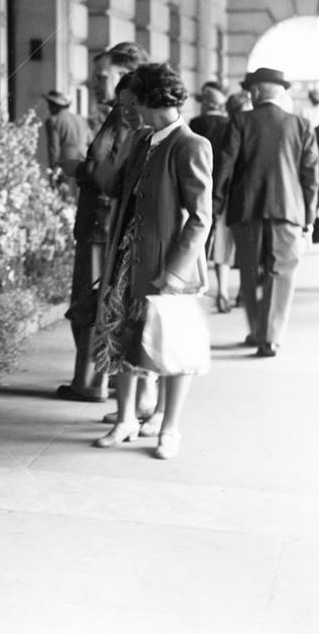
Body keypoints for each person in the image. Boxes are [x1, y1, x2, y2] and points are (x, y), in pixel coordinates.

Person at [91, 63, 213, 459]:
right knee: (123, 334)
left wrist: (175, 273)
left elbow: (201, 217)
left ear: (149, 100)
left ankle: (169, 429)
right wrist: (109, 139)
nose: (129, 109)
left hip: (170, 266)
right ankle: (125, 419)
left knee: (176, 350)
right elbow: (111, 184)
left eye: (133, 102)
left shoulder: (191, 144)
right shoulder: (141, 139)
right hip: (128, 257)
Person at [55, 41, 149, 403]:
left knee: (92, 301)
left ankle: (91, 381)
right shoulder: (120, 115)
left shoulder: (123, 118)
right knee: (96, 301)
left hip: (102, 225)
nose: (94, 82)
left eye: (101, 76)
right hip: (102, 223)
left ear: (124, 74)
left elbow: (112, 175)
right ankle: (92, 378)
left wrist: (77, 168)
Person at [214, 67, 319, 357]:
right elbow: (311, 177)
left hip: (246, 209)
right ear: (281, 92)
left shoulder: (239, 122)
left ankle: (258, 330)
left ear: (256, 92)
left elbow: (225, 167)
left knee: (250, 272)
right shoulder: (301, 125)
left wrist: (216, 207)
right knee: (281, 272)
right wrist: (309, 218)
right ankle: (271, 337)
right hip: (288, 210)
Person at [191, 83, 237, 313]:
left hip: (198, 187)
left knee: (196, 236)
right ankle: (223, 291)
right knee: (222, 242)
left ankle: (197, 286)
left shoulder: (196, 125)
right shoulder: (230, 125)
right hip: (225, 188)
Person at [42, 90, 90, 187]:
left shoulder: (53, 120)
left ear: (55, 106)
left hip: (65, 167)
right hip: (84, 164)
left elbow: (53, 149)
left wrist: (52, 174)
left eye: (50, 104)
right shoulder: (81, 119)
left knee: (65, 199)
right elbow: (90, 141)